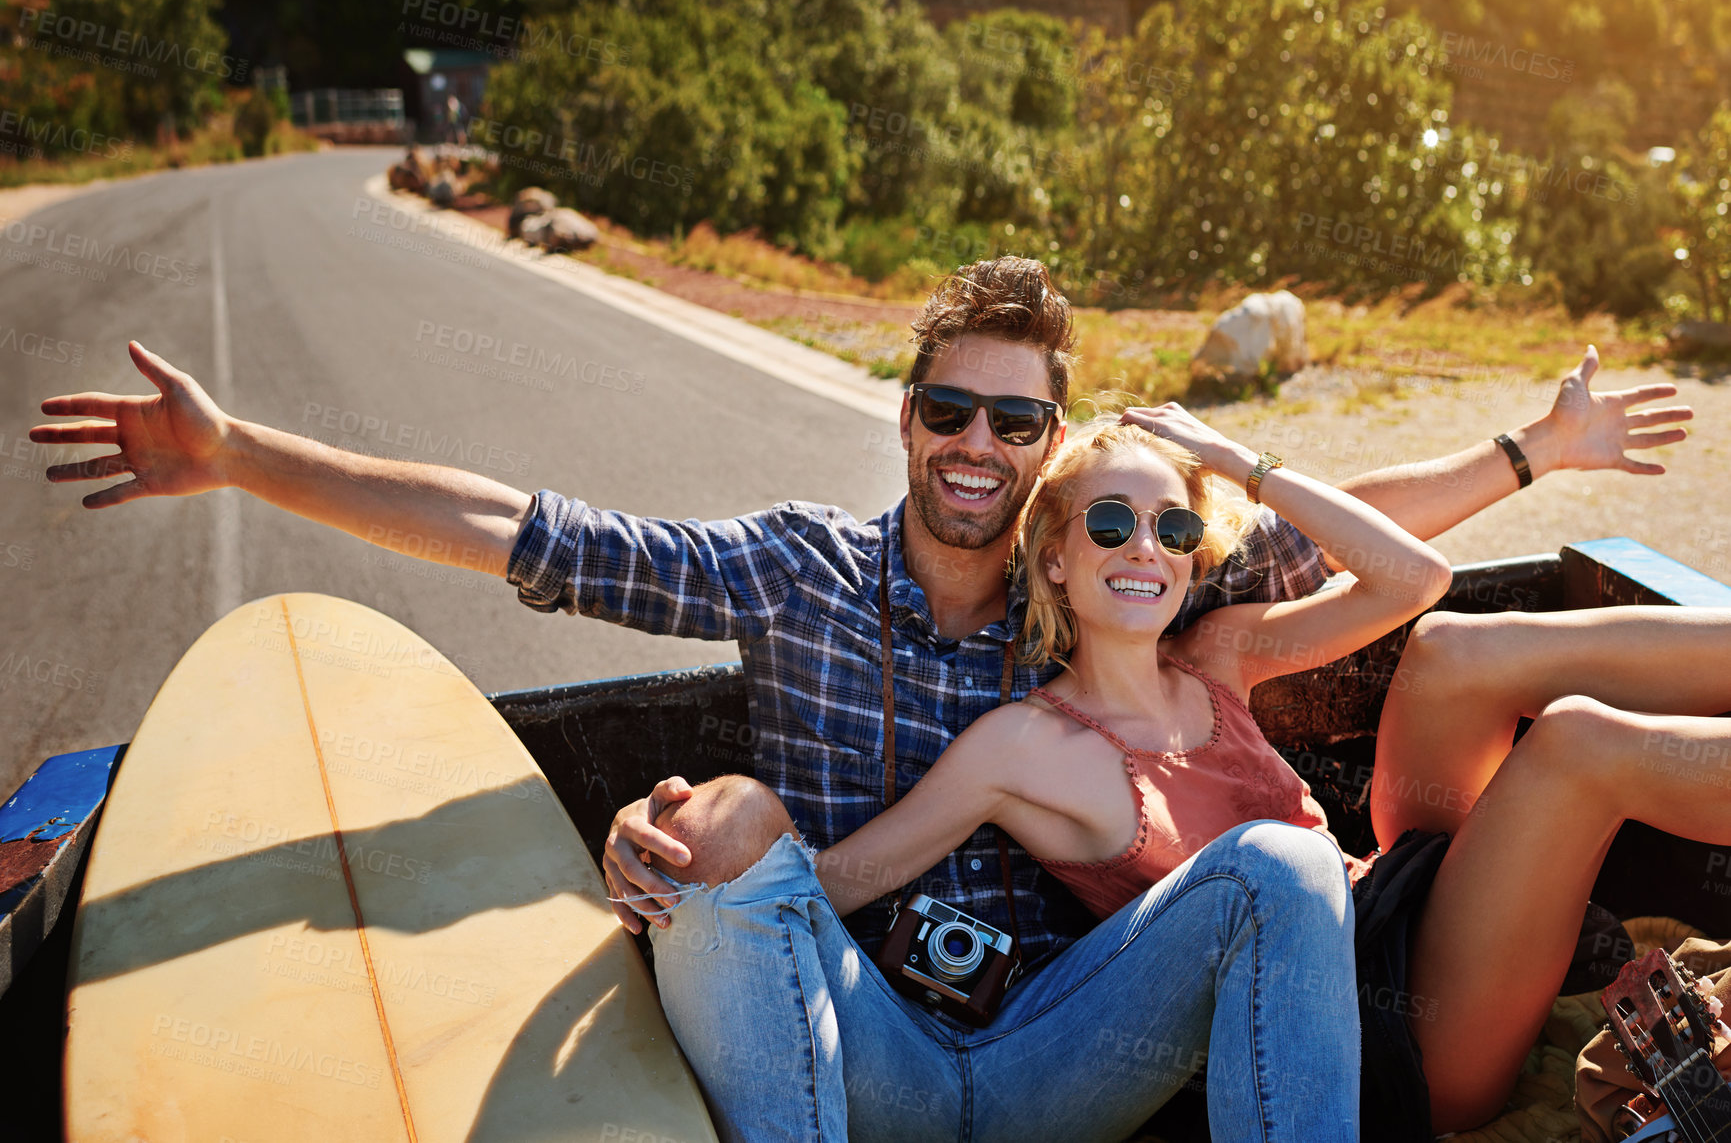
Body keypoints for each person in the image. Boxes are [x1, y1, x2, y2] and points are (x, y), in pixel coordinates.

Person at [28, 257, 1689, 1137]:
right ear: (906, 418)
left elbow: (1316, 534)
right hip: (849, 1034)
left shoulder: (1105, 586)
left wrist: (1535, 452)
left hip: (1061, 1047)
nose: (976, 445)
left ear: (1050, 457)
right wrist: (241, 458)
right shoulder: (790, 572)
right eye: (946, 411)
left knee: (1269, 872)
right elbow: (523, 532)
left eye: (1014, 424)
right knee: (720, 829)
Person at [666, 417, 1731, 1139]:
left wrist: (1239, 462)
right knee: (1578, 741)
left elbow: (1416, 579)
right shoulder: (1022, 747)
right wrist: (682, 858)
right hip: (1392, 1030)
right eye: (1110, 525)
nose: (1147, 548)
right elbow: (837, 882)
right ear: (1055, 560)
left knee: (1456, 648)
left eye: (1174, 527)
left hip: (1399, 906)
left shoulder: (1217, 656)